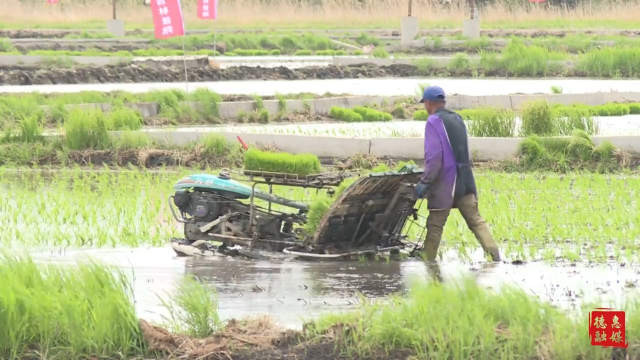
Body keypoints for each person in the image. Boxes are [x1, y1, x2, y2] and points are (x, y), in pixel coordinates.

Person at [414, 86, 501, 262]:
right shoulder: (457, 119)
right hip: (465, 179)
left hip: (446, 182)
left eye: (425, 104)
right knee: (476, 221)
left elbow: (434, 156)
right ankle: (496, 259)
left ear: (429, 103)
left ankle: (428, 263)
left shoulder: (433, 122)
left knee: (435, 224)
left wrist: (425, 181)